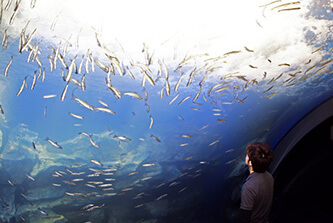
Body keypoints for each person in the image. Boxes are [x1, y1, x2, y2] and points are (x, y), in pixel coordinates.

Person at [239, 142, 274, 223]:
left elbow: (244, 217)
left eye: (247, 155)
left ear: (250, 163)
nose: (246, 156)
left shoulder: (249, 187)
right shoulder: (269, 177)